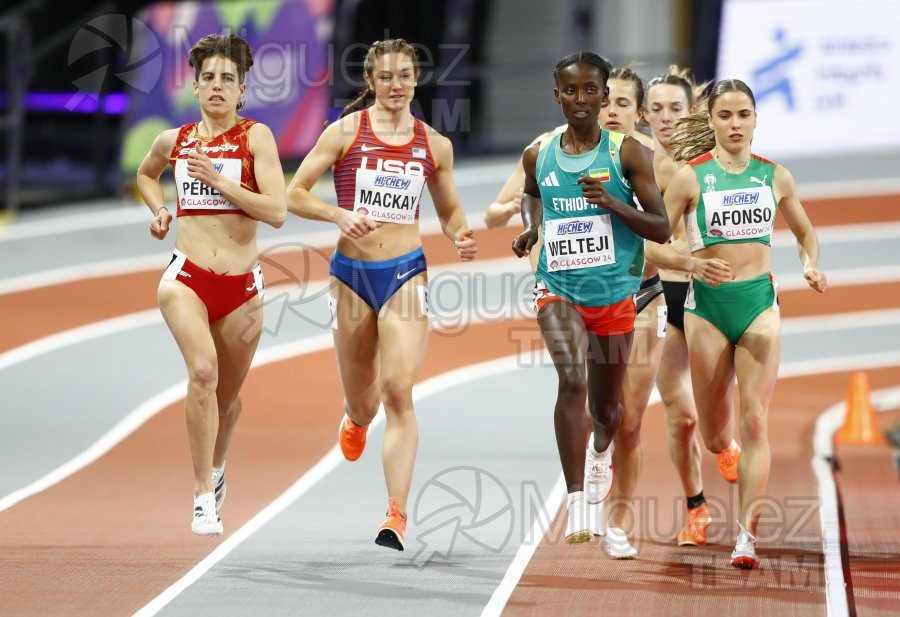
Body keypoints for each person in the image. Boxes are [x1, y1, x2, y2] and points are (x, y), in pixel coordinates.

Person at [285, 38, 477, 552]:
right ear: (370, 81)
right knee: (364, 400)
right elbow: (294, 193)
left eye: (405, 77)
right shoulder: (345, 132)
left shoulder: (435, 145)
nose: (396, 86)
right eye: (386, 77)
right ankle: (354, 418)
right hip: (350, 275)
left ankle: (395, 513)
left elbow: (450, 208)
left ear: (417, 80)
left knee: (397, 389)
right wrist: (338, 214)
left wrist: (460, 231)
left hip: (405, 274)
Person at [646, 79, 827, 568]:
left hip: (758, 305)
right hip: (705, 310)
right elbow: (650, 245)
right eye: (725, 116)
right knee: (712, 433)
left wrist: (809, 262)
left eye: (743, 115)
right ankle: (721, 447)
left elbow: (807, 232)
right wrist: (690, 264)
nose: (735, 124)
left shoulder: (775, 176)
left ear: (755, 119)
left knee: (755, 420)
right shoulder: (690, 178)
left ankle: (747, 536)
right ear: (711, 122)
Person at [511, 52, 670, 547]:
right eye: (570, 91)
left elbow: (662, 228)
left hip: (616, 293)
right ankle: (577, 502)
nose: (580, 100)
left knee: (608, 411)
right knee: (572, 378)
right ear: (556, 95)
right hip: (557, 285)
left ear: (604, 96)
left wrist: (613, 203)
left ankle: (601, 450)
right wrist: (532, 228)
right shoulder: (540, 153)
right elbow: (533, 193)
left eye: (590, 91)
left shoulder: (628, 154)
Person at [135, 33, 287, 535]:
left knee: (226, 400)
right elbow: (145, 174)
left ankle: (218, 468)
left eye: (227, 79)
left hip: (242, 287)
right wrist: (159, 210)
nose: (217, 87)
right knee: (202, 372)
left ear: (242, 89)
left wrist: (220, 180)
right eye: (208, 79)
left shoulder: (255, 138)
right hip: (187, 278)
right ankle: (202, 495)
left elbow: (278, 212)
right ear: (195, 87)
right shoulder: (173, 141)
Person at [644, 67, 730, 549]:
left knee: (715, 417)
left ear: (692, 111)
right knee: (681, 415)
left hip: (713, 296)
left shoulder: (713, 160)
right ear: (643, 114)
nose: (665, 118)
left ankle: (727, 442)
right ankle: (696, 507)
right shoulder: (632, 160)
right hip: (664, 293)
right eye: (655, 109)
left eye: (675, 108)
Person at [594, 67, 668, 559]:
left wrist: (686, 260)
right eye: (607, 102)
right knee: (598, 407)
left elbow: (669, 234)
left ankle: (617, 521)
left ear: (638, 112)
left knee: (632, 420)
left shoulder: (657, 163)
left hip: (644, 295)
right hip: (590, 297)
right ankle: (593, 455)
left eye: (624, 103)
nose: (613, 110)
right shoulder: (568, 151)